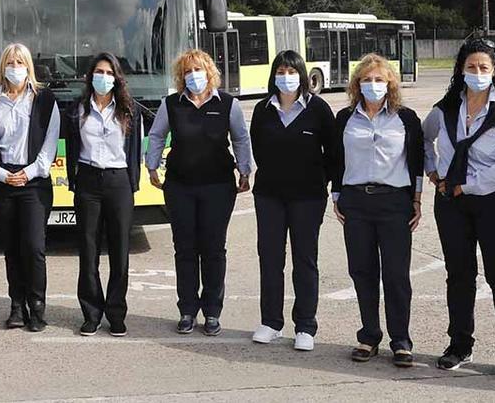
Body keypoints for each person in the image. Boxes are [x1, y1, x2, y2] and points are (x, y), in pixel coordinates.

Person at [423, 38, 495, 380]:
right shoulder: (445, 109)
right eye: (471, 67)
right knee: (459, 275)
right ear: (461, 70)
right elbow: (422, 138)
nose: (477, 73)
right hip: (452, 203)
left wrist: (465, 185)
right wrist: (433, 173)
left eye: (484, 68)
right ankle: (459, 345)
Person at [146, 48, 253, 337]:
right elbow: (156, 135)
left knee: (214, 249)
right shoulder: (171, 105)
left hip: (218, 186)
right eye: (188, 72)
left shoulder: (227, 104)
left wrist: (245, 170)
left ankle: (213, 312)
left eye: (199, 70)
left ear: (210, 73)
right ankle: (187, 310)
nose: (194, 76)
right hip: (180, 186)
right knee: (185, 248)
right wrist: (151, 166)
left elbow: (241, 138)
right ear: (182, 77)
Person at [332, 53, 424, 367]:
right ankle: (369, 335)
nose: (373, 85)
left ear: (390, 84)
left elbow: (417, 161)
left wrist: (417, 199)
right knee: (362, 271)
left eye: (379, 80)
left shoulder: (406, 118)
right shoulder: (345, 118)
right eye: (367, 80)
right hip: (356, 202)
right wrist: (336, 194)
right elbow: (336, 158)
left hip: (394, 202)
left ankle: (401, 341)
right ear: (357, 84)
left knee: (396, 275)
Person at [248, 49, 336, 351]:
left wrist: (320, 182)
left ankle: (305, 326)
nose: (286, 78)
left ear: (302, 76)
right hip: (270, 196)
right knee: (270, 259)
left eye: (292, 72)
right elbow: (257, 148)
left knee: (305, 260)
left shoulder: (319, 110)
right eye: (281, 72)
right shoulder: (263, 110)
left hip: (308, 198)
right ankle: (271, 322)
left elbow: (334, 154)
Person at [0, 43, 61, 332]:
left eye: (20, 62)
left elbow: (50, 144)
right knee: (11, 248)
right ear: (3, 67)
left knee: (34, 247)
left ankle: (37, 307)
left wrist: (30, 172)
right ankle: (16, 305)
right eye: (10, 63)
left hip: (34, 183)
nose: (15, 68)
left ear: (29, 67)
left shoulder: (45, 100)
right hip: (2, 182)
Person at [63, 52, 146, 338]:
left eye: (109, 73)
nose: (104, 77)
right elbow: (72, 144)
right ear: (91, 76)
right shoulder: (78, 109)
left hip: (118, 181)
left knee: (120, 250)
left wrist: (132, 182)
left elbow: (135, 150)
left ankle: (116, 312)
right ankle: (91, 312)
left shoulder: (128, 109)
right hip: (87, 180)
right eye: (99, 72)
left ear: (117, 78)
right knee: (88, 250)